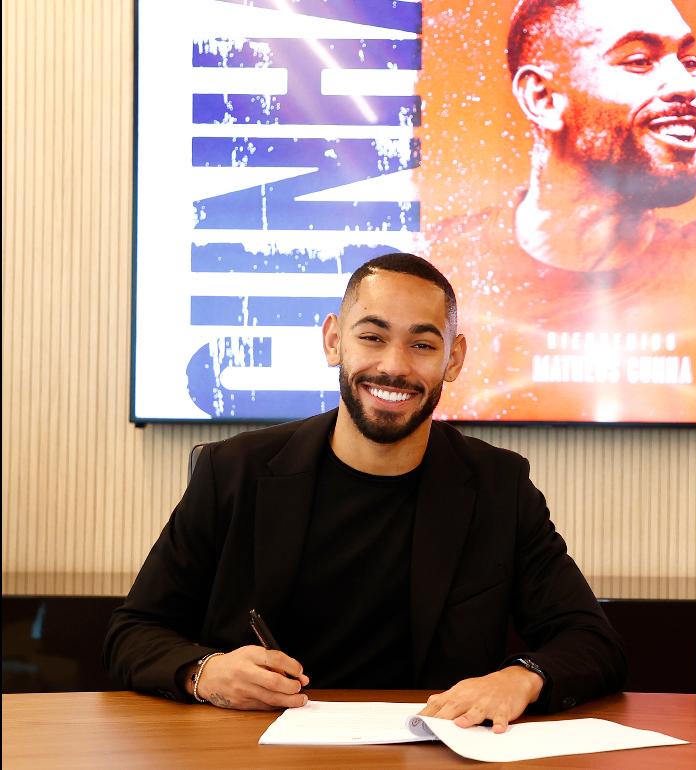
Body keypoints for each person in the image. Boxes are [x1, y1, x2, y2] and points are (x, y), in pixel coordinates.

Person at [104, 253, 627, 731]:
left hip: (433, 751)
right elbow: (135, 632)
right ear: (334, 340)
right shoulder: (235, 470)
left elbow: (591, 642)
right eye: (372, 337)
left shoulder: (498, 486)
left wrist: (522, 676)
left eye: (422, 344)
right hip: (254, 749)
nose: (395, 366)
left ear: (454, 359)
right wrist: (205, 672)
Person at [424, 0, 696, 423]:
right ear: (542, 97)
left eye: (689, 60)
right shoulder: (443, 273)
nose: (686, 85)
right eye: (639, 60)